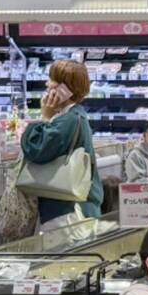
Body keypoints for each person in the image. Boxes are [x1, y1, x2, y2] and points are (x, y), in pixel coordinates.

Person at [21, 60, 104, 232]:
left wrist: (44, 117)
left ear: (64, 89)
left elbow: (36, 150)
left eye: (51, 80)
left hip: (68, 210)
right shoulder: (74, 115)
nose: (46, 84)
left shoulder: (69, 120)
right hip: (74, 206)